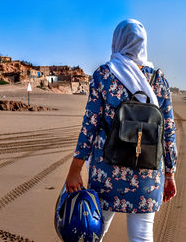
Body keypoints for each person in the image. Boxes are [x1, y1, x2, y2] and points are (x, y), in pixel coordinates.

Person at [65, 19, 177, 242]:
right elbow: (168, 132)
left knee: (95, 232)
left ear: (116, 41)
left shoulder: (104, 75)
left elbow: (90, 125)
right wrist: (170, 174)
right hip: (147, 173)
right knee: (142, 237)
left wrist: (75, 169)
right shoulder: (159, 80)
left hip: (107, 172)